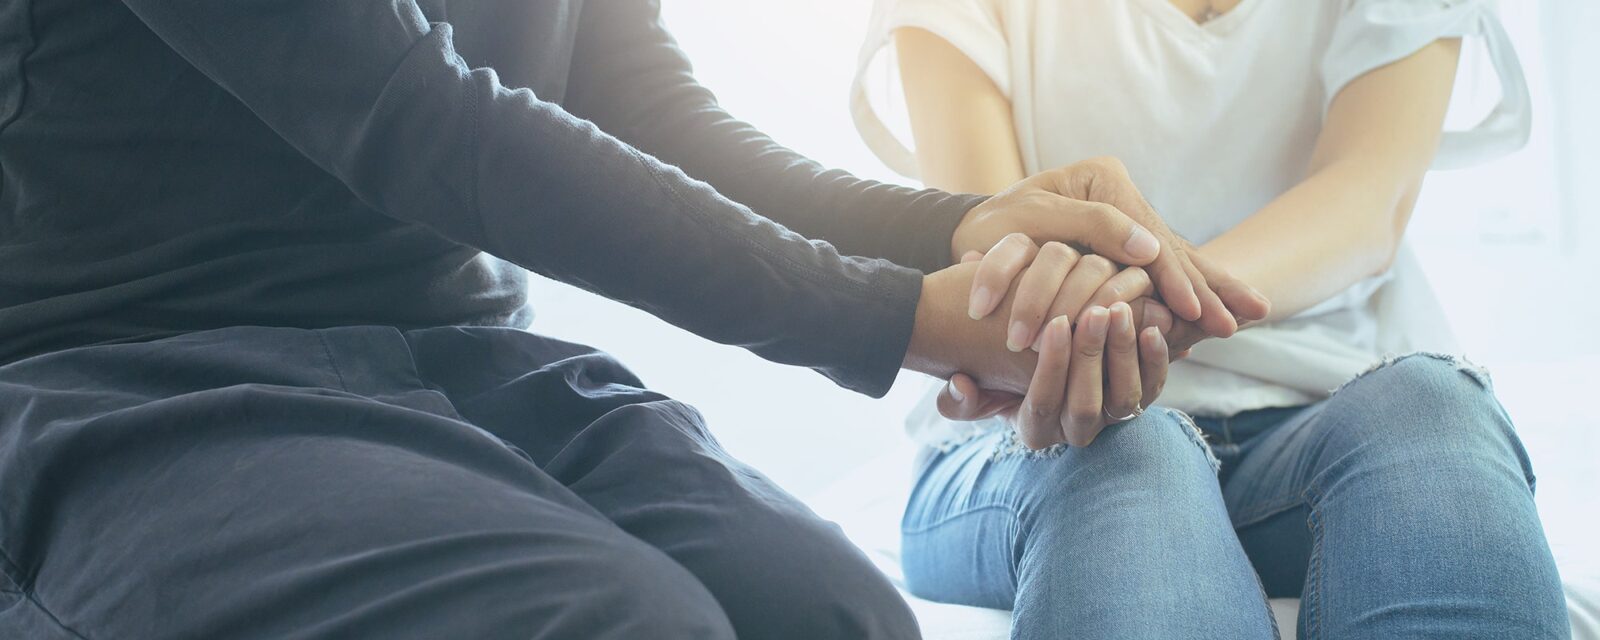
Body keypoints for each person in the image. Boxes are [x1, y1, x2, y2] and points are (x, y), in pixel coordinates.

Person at [0, 0, 1268, 638]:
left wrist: (957, 235)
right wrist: (897, 316)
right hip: (127, 383)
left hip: (455, 360)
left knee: (830, 617)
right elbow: (417, 117)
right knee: (615, 621)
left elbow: (628, 96)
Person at [851, 0, 1569, 637]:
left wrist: (1146, 304)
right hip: (1046, 431)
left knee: (1435, 407)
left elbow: (1369, 199)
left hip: (1315, 414)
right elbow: (997, 268)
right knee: (1132, 453)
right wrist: (1138, 308)